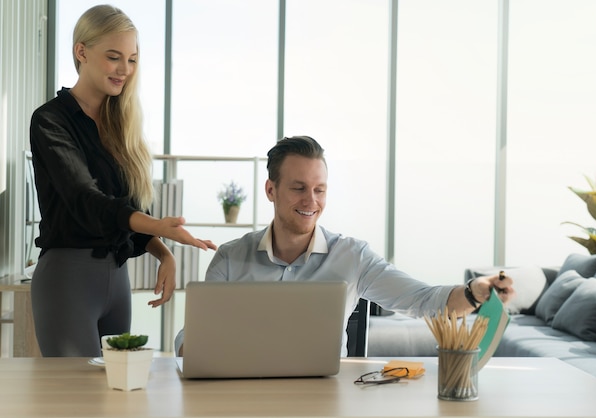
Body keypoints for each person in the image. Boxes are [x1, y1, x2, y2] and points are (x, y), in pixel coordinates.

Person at [174, 135, 515, 356]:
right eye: (298, 188)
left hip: (324, 399)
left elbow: (424, 301)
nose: (311, 200)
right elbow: (189, 341)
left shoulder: (352, 256)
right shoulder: (231, 258)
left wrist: (474, 293)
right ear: (270, 190)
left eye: (319, 189)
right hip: (244, 397)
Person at [29, 4, 216, 357]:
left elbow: (128, 207)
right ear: (81, 52)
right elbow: (87, 199)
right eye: (114, 57)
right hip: (67, 280)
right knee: (77, 403)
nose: (124, 70)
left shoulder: (121, 125)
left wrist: (164, 253)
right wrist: (159, 226)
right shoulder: (50, 121)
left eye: (132, 60)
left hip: (118, 283)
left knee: (115, 399)